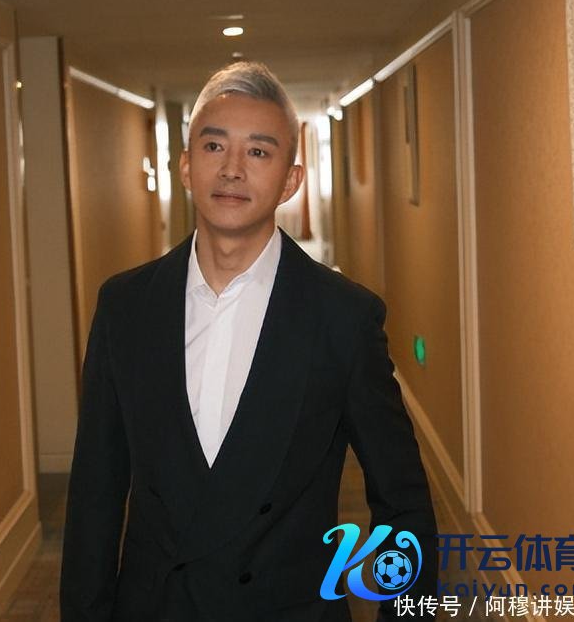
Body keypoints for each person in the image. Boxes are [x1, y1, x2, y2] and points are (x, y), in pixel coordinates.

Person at [60, 61, 437, 621]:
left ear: (291, 180)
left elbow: (402, 505)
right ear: (186, 167)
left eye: (258, 152)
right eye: (214, 147)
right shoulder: (126, 307)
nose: (232, 170)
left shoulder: (343, 318)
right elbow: (96, 494)